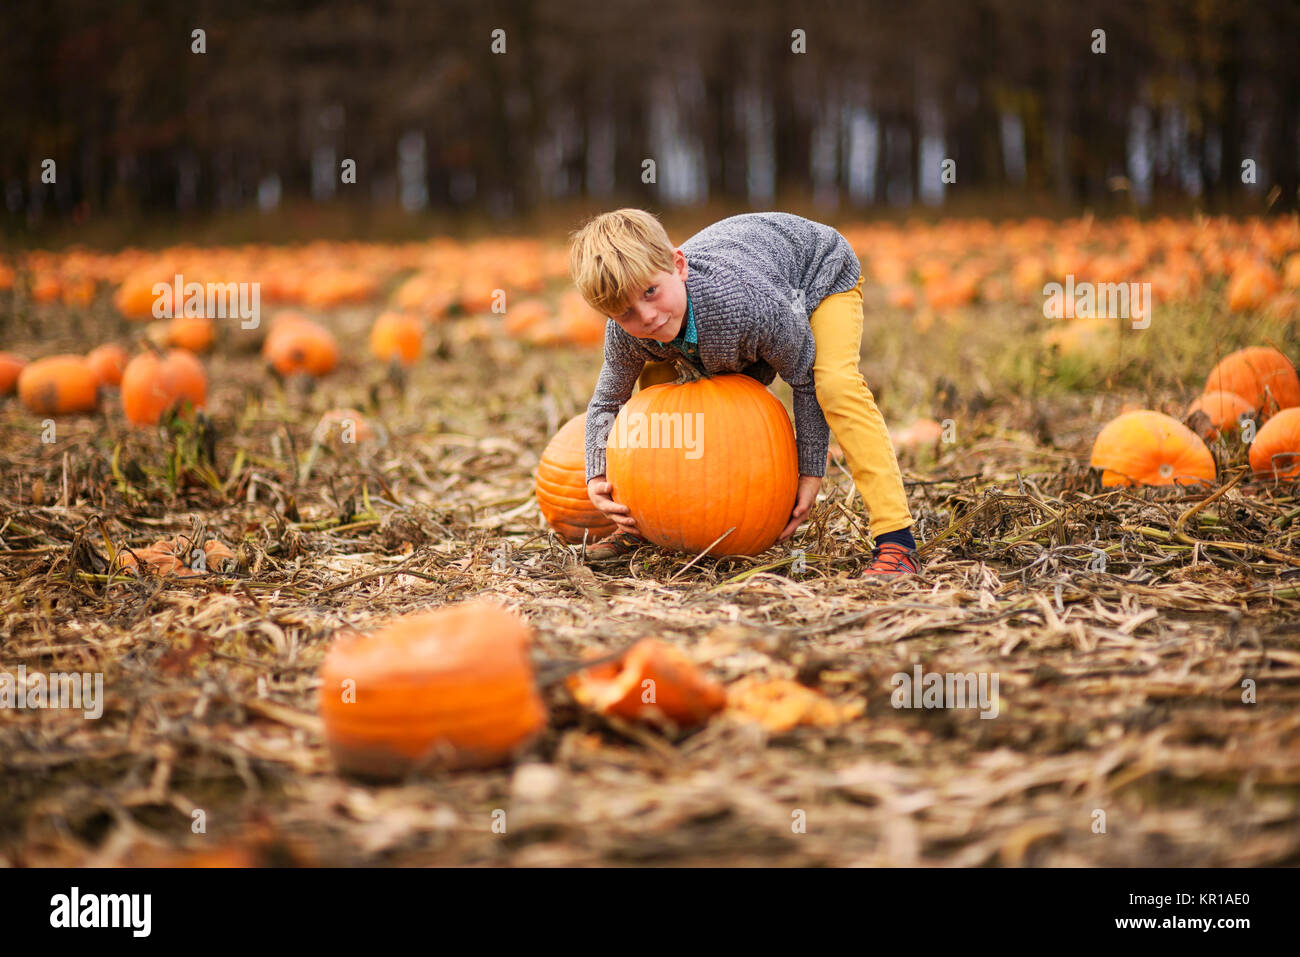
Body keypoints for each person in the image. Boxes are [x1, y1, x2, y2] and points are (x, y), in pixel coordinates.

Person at [569, 208, 919, 575]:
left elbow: (803, 379)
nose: (647, 317)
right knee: (657, 386)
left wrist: (810, 471)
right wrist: (596, 475)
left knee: (835, 385)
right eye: (625, 313)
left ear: (678, 266)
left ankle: (896, 538)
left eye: (651, 292)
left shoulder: (745, 305)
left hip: (816, 274)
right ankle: (650, 523)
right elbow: (607, 401)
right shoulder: (629, 333)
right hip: (747, 282)